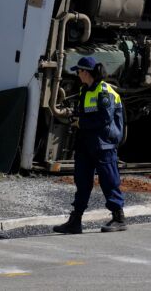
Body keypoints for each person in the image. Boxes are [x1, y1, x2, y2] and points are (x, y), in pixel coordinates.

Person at [53, 56, 127, 234]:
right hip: (87, 144)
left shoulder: (104, 91)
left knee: (109, 181)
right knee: (82, 181)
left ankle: (118, 218)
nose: (77, 75)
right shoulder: (85, 90)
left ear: (86, 72)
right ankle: (75, 220)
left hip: (104, 145)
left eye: (78, 71)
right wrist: (76, 118)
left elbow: (104, 119)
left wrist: (81, 123)